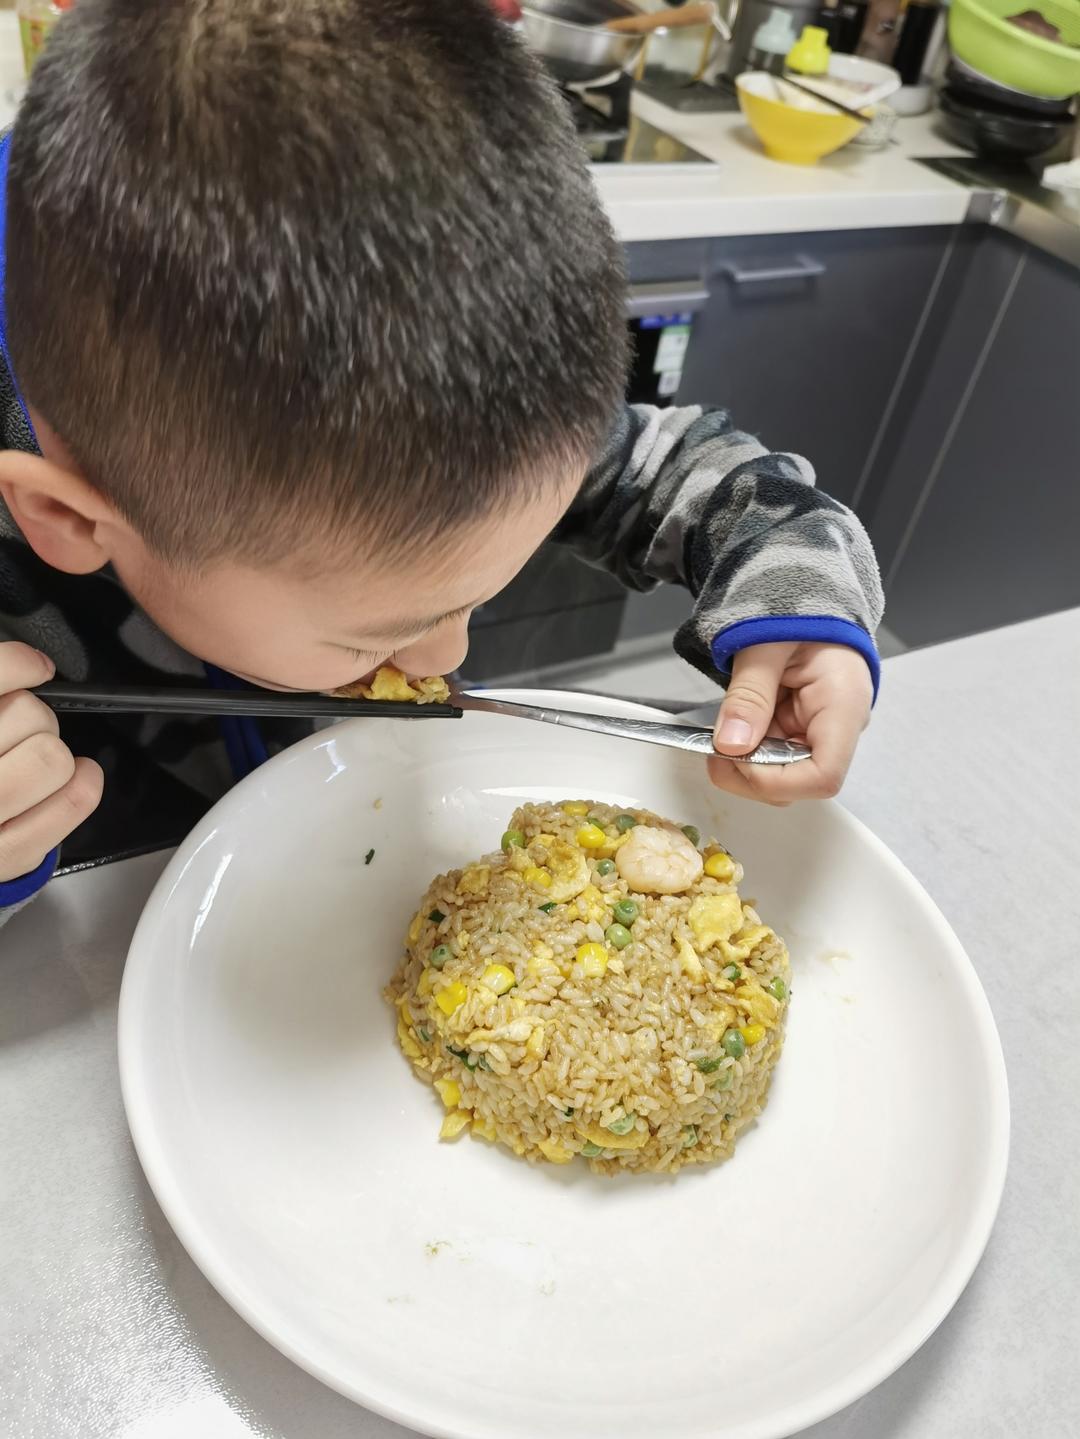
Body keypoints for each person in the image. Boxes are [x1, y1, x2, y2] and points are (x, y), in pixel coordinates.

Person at [0, 0, 882, 926]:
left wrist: (799, 599)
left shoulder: (454, 412)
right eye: (370, 635)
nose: (449, 656)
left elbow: (709, 480)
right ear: (70, 520)